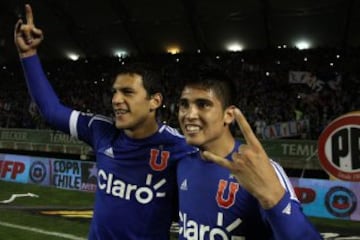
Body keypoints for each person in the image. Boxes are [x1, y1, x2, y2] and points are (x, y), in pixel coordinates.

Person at [15, 4, 195, 240]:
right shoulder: (101, 129)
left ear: (155, 101)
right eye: (114, 92)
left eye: (127, 92)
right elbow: (50, 110)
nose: (116, 100)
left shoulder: (181, 148)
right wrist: (28, 55)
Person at [176, 66, 323, 239]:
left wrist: (274, 200)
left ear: (229, 115)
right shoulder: (183, 164)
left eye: (203, 105)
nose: (190, 115)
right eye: (184, 105)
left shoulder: (259, 169)